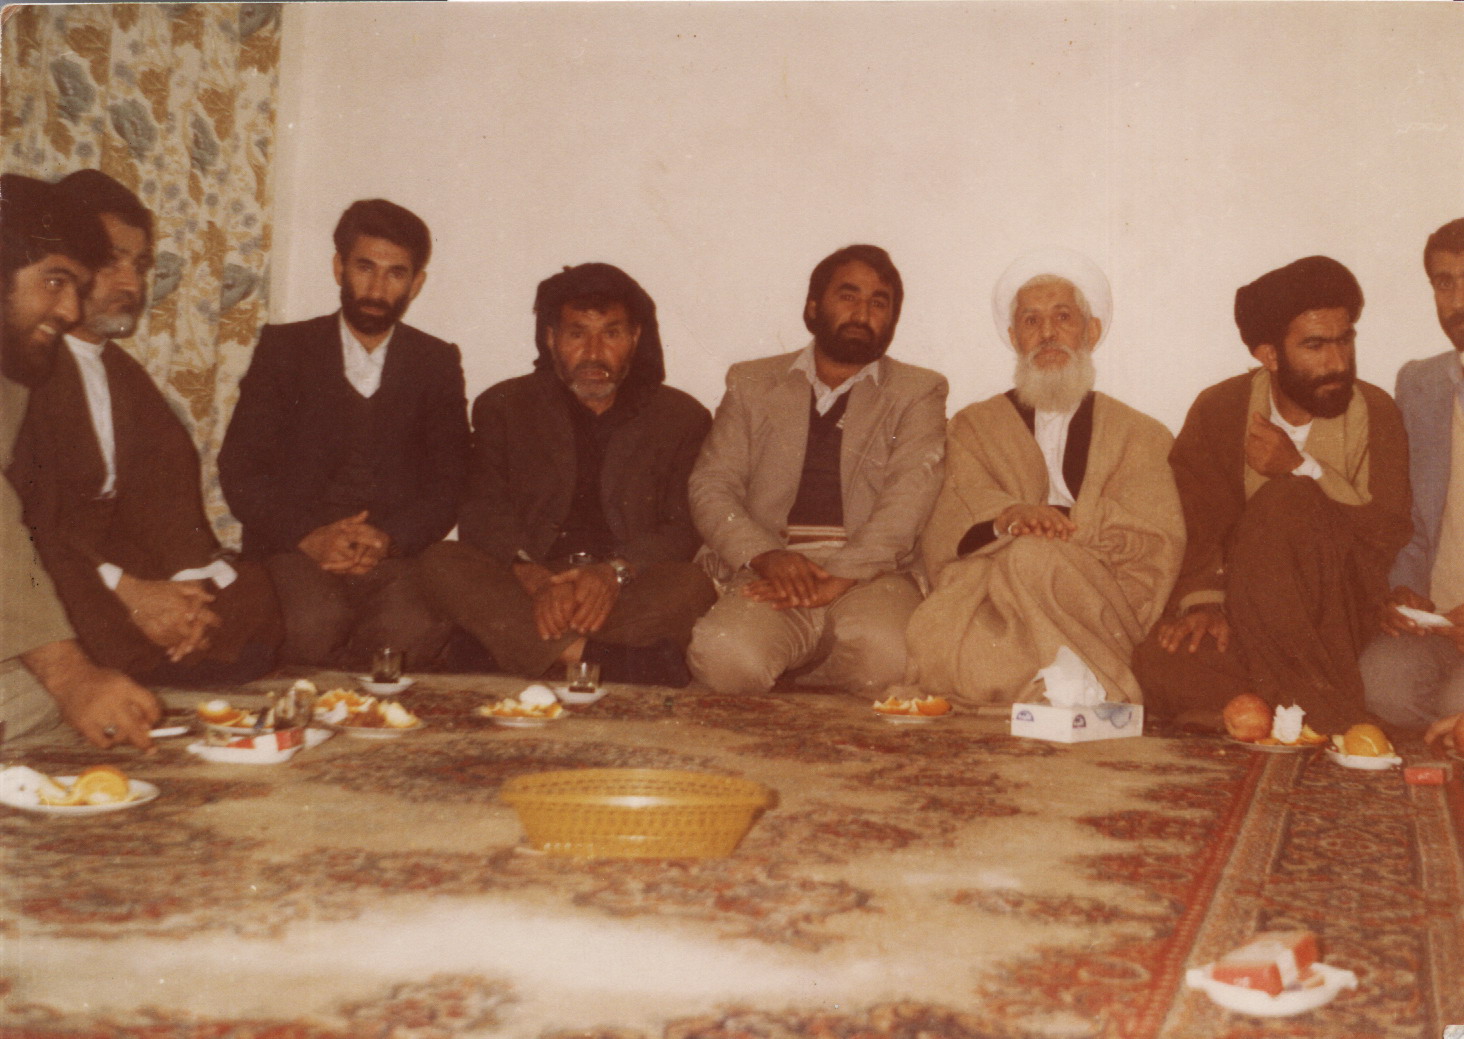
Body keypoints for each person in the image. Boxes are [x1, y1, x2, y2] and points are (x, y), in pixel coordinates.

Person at [8, 170, 280, 686]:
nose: (131, 285)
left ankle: (170, 646)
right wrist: (130, 592)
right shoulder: (27, 365)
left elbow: (166, 499)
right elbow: (33, 523)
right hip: (55, 561)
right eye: (112, 262)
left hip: (120, 557)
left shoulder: (122, 373)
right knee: (81, 602)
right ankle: (148, 662)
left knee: (252, 588)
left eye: (139, 265)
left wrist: (188, 591)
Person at [1133, 255, 1411, 734]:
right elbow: (1196, 524)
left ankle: (1305, 714)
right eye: (1315, 346)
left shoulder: (1376, 411)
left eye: (1345, 340)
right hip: (1241, 612)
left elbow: (1385, 532)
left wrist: (1302, 468)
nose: (1338, 362)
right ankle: (1288, 707)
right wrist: (1205, 603)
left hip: (1339, 613)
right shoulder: (1221, 409)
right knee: (1160, 661)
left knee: (1286, 502)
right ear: (1269, 354)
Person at [898, 250, 1184, 705]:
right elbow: (953, 515)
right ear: (1015, 338)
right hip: (993, 595)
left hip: (1094, 601)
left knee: (1031, 556)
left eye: (1063, 317)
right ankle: (1076, 689)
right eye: (1031, 321)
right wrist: (1008, 518)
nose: (1047, 333)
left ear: (1091, 331)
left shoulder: (1140, 433)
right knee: (985, 608)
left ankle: (1077, 687)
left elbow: (1158, 539)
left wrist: (1062, 524)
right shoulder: (974, 426)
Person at [420, 263, 715, 685]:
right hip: (529, 577)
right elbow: (482, 511)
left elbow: (683, 527)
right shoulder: (503, 405)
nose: (594, 353)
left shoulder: (681, 416)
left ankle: (513, 650)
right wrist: (534, 578)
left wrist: (612, 573)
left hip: (624, 582)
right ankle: (601, 659)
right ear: (550, 338)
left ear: (635, 338)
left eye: (611, 334)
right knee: (441, 561)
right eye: (577, 334)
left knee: (691, 585)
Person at [686, 244, 947, 696]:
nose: (862, 314)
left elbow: (908, 502)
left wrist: (841, 576)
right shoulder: (751, 382)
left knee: (890, 660)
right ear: (812, 307)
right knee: (726, 659)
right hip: (773, 565)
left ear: (892, 320)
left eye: (878, 303)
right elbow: (711, 486)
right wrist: (766, 557)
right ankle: (799, 660)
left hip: (872, 573)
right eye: (848, 296)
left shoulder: (917, 391)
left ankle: (798, 666)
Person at [219, 199, 467, 671]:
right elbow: (240, 470)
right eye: (364, 267)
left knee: (411, 631)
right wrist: (308, 536)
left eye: (395, 274)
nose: (376, 288)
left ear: (416, 284)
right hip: (294, 551)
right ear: (339, 267)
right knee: (313, 625)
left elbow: (450, 483)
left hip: (390, 557)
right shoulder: (285, 350)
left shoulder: (435, 362)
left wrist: (389, 540)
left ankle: (357, 704)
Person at [0, 173, 160, 749]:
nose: (68, 309)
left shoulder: (12, 369)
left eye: (77, 287)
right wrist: (70, 676)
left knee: (52, 698)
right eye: (54, 281)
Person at [1359, 218, 1464, 729]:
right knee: (1381, 685)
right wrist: (1400, 590)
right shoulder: (1420, 383)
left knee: (1454, 705)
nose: (1458, 301)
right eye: (1445, 283)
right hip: (1436, 621)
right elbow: (1406, 515)